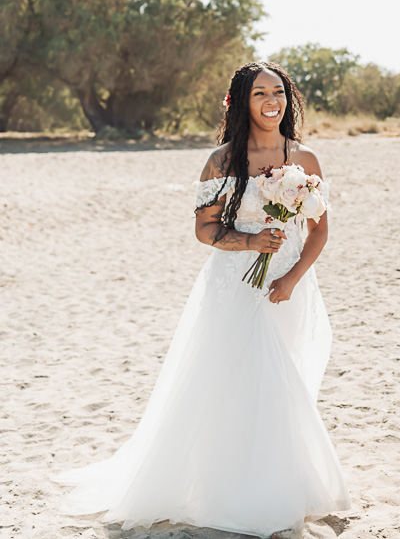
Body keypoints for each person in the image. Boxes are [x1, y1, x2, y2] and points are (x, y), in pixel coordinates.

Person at [55, 62, 350, 538]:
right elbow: (205, 229)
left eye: (278, 92)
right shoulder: (222, 160)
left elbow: (320, 230)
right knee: (244, 381)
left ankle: (280, 478)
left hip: (289, 287)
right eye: (260, 94)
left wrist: (293, 277)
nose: (272, 101)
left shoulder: (306, 159)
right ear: (242, 102)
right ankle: (242, 489)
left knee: (286, 379)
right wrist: (251, 243)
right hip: (235, 284)